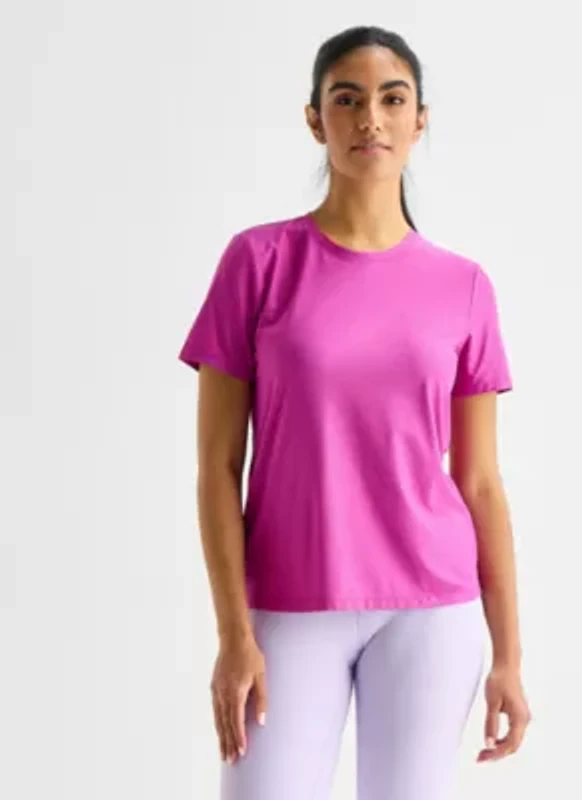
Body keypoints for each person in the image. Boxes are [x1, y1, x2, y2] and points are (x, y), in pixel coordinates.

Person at [177, 24, 532, 800]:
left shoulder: (464, 287)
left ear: (419, 120)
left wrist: (508, 656)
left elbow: (479, 482)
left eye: (392, 99)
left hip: (431, 610)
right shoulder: (258, 263)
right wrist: (233, 633)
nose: (370, 117)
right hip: (287, 605)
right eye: (347, 99)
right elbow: (216, 469)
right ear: (316, 120)